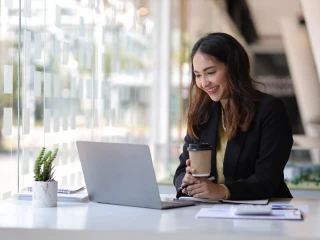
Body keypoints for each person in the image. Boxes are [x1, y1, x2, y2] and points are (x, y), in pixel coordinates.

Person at [173, 32, 293, 200]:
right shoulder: (202, 113)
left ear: (234, 67)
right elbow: (180, 171)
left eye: (211, 72)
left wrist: (221, 190)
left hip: (264, 214)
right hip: (211, 214)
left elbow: (267, 180)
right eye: (198, 75)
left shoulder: (269, 110)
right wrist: (185, 182)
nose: (204, 83)